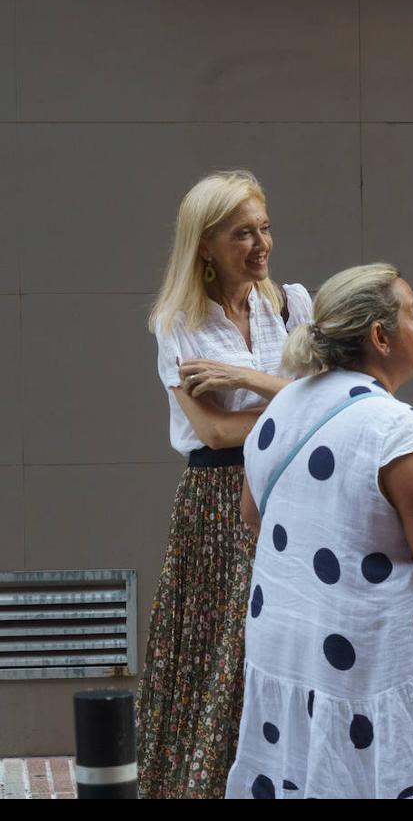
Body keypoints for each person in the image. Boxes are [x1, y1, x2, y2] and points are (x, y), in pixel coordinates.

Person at [225, 264, 413, 799]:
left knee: (300, 776)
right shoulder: (395, 428)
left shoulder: (284, 406)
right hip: (372, 663)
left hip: (288, 647)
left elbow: (254, 516)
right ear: (379, 337)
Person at [140, 170, 312, 798]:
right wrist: (294, 405)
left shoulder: (292, 304)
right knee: (220, 655)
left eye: (264, 228)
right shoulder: (179, 321)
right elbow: (212, 433)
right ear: (205, 244)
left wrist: (260, 384)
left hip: (293, 491)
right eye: (242, 233)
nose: (261, 244)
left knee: (286, 644)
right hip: (217, 504)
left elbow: (327, 401)